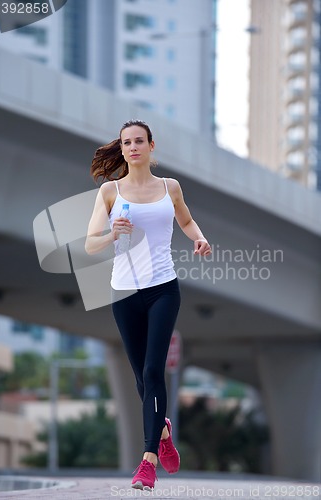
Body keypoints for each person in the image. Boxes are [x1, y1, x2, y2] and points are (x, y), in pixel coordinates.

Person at [85, 120, 211, 490]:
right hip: (124, 293)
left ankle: (148, 461)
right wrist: (112, 233)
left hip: (162, 289)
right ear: (122, 149)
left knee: (154, 371)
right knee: (142, 379)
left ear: (151, 146)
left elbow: (185, 220)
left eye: (140, 141)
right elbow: (91, 243)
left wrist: (199, 238)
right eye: (127, 142)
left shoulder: (169, 187)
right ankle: (164, 431)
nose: (134, 147)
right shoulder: (110, 192)